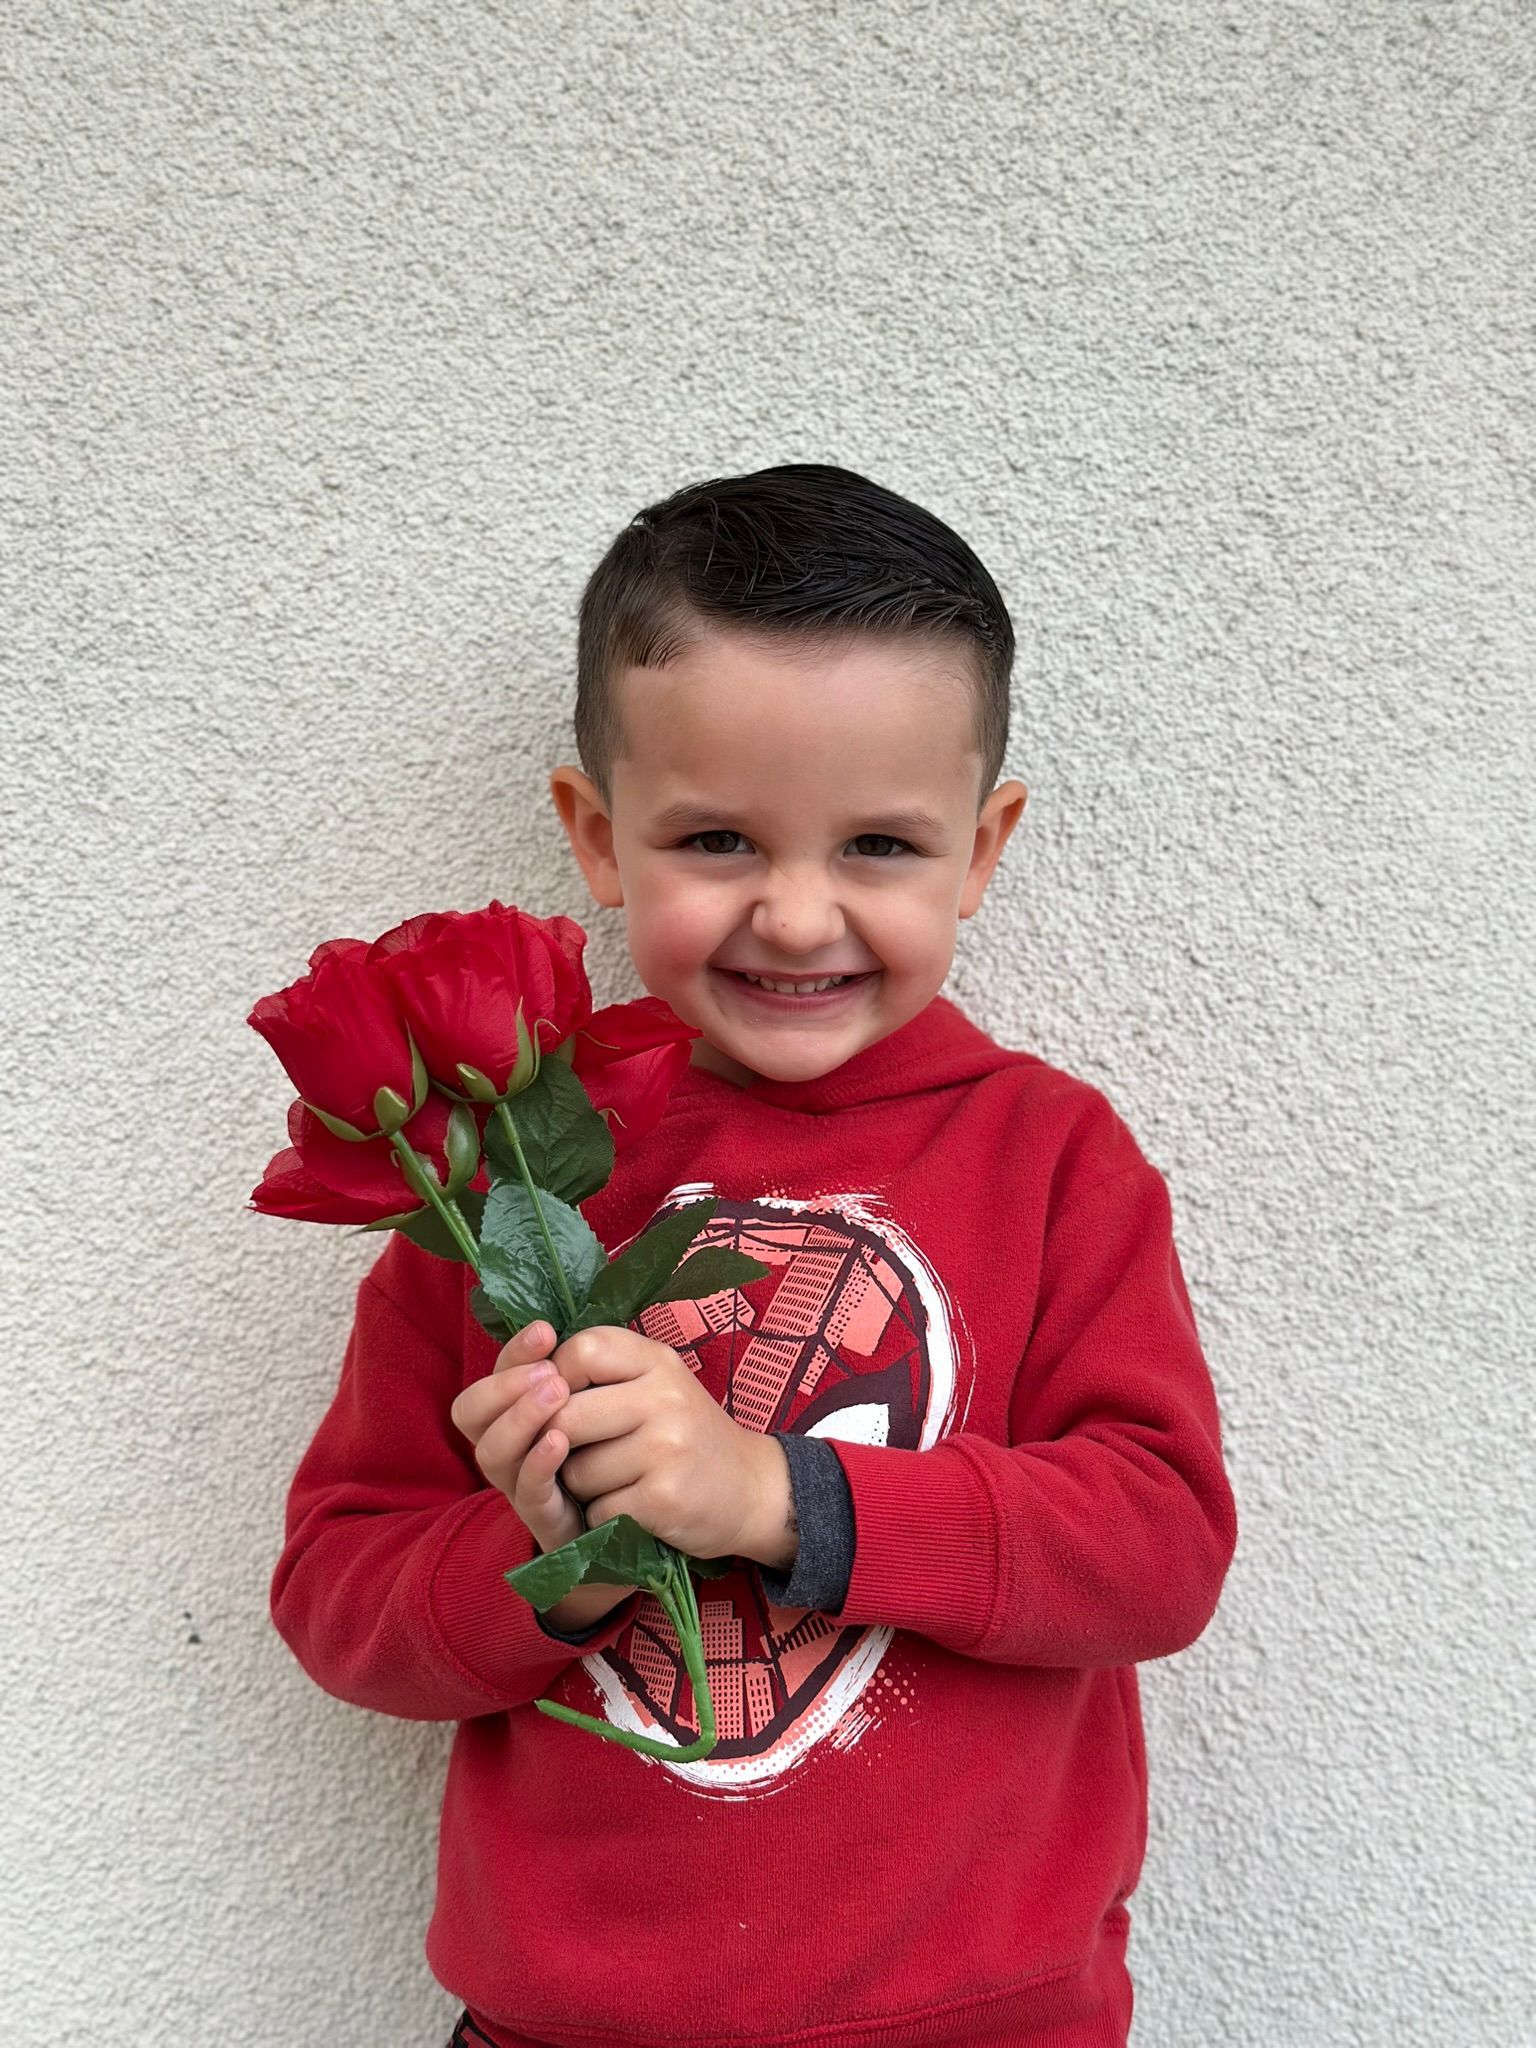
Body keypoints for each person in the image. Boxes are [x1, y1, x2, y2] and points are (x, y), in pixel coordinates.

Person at [271, 462, 1237, 2048]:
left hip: (980, 2026)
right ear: (598, 836)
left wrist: (780, 1499)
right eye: (718, 838)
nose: (796, 916)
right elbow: (338, 1598)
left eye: (880, 845)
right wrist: (548, 1550)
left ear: (982, 849)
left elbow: (1157, 1546)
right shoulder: (496, 1181)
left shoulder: (1054, 1159)